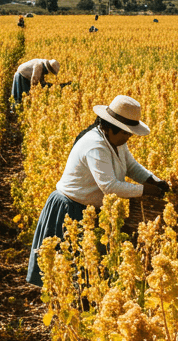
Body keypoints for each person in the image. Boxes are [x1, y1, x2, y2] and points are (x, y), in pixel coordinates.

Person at [26, 95, 169, 285]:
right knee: (68, 273)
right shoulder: (96, 145)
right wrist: (145, 191)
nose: (129, 137)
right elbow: (109, 186)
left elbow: (132, 167)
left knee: (91, 271)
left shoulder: (116, 140)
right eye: (126, 133)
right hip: (70, 210)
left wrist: (154, 181)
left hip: (90, 211)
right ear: (109, 128)